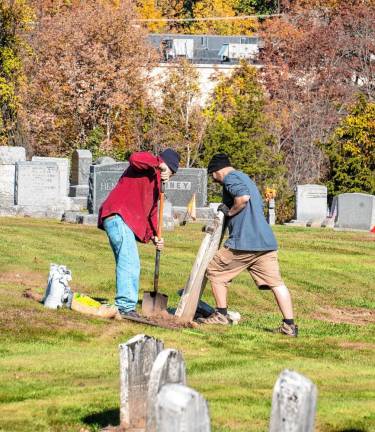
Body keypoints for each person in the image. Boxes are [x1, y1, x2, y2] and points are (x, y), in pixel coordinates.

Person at [198, 153, 298, 336]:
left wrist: (229, 212)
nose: (214, 179)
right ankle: (289, 326)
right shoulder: (245, 178)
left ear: (218, 170)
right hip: (265, 241)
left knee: (215, 271)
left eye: (213, 174)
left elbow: (243, 198)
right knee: (276, 283)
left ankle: (221, 315)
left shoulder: (231, 178)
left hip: (244, 241)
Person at [98, 149, 180, 319]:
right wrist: (159, 164)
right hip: (118, 216)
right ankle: (125, 307)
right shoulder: (146, 166)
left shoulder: (157, 186)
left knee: (126, 261)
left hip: (121, 221)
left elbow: (152, 212)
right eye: (169, 172)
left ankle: (125, 304)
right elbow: (134, 158)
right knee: (130, 262)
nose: (168, 177)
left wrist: (155, 235)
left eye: (171, 175)